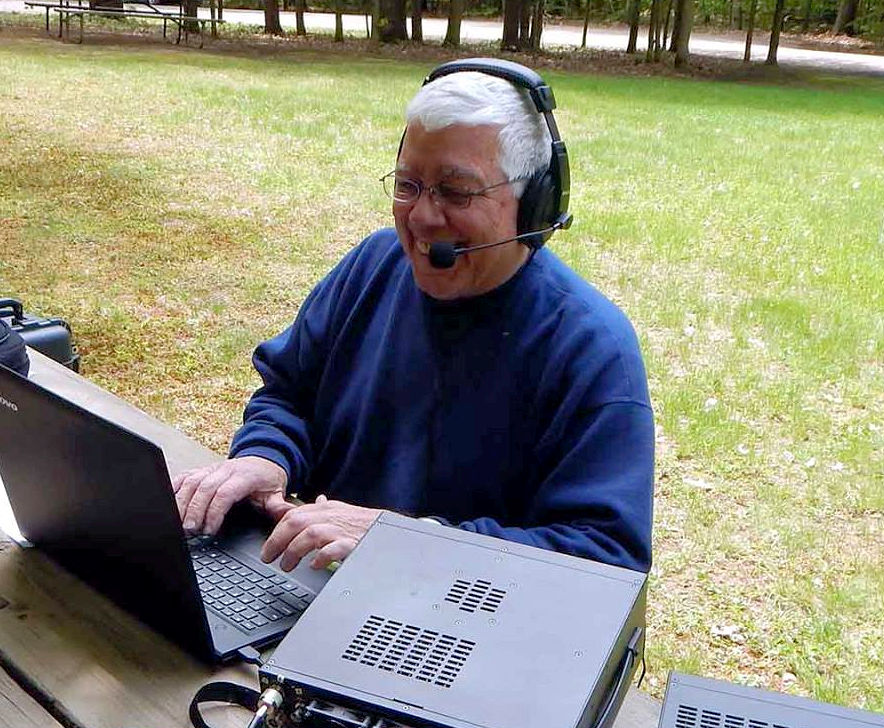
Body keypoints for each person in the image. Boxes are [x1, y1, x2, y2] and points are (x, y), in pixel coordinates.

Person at [172, 61, 654, 575]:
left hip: (460, 613)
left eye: (456, 191)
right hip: (313, 580)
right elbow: (289, 393)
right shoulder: (373, 267)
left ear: (533, 204)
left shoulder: (591, 348)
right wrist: (266, 456)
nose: (422, 216)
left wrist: (407, 542)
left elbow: (605, 558)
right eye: (408, 185)